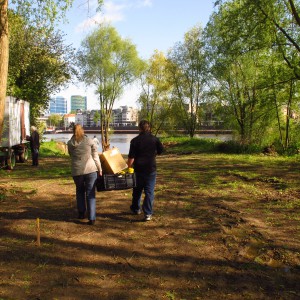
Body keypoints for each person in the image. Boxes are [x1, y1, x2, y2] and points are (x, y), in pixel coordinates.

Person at [127, 120, 164, 221]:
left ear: (139, 128)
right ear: (149, 128)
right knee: (149, 192)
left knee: (137, 190)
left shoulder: (135, 141)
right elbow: (161, 151)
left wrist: (128, 167)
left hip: (138, 169)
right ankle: (147, 213)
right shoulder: (155, 139)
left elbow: (131, 157)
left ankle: (136, 208)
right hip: (151, 169)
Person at [67, 124, 102, 225]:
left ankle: (81, 213)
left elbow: (71, 155)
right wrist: (100, 169)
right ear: (82, 130)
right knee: (90, 193)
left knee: (80, 191)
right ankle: (92, 218)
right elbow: (95, 156)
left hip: (77, 171)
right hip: (90, 170)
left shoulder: (70, 143)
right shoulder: (89, 141)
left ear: (73, 131)